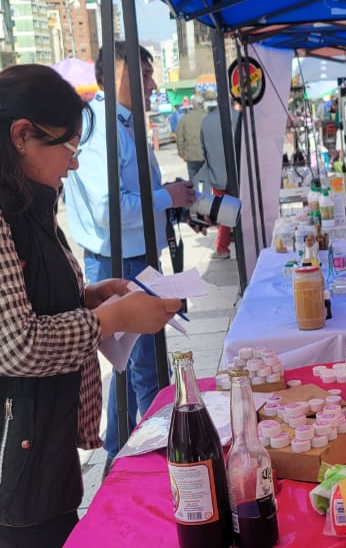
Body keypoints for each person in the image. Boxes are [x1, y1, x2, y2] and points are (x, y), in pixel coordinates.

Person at [0, 64, 182, 546]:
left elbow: (2, 302)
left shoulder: (5, 191)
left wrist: (86, 297)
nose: (73, 164)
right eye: (68, 147)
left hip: (20, 437)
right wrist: (113, 318)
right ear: (22, 135)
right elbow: (15, 344)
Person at [62, 41, 196, 470]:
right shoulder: (102, 126)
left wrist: (164, 197)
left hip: (135, 258)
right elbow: (111, 209)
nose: (153, 84)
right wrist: (165, 197)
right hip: (120, 262)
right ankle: (138, 466)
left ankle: (122, 461)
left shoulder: (122, 123)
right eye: (144, 74)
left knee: (136, 369)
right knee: (141, 372)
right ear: (119, 74)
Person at [198, 94, 240, 260]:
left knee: (224, 211)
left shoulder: (206, 121)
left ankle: (222, 247)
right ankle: (231, 244)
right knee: (237, 210)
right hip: (236, 173)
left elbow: (203, 149)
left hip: (217, 173)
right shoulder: (238, 118)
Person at [176, 94, 209, 191]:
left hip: (190, 155)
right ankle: (206, 203)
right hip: (206, 155)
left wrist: (182, 154)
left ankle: (195, 203)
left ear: (193, 105)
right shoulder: (207, 117)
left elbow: (179, 138)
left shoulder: (184, 118)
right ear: (203, 104)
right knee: (207, 181)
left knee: (193, 181)